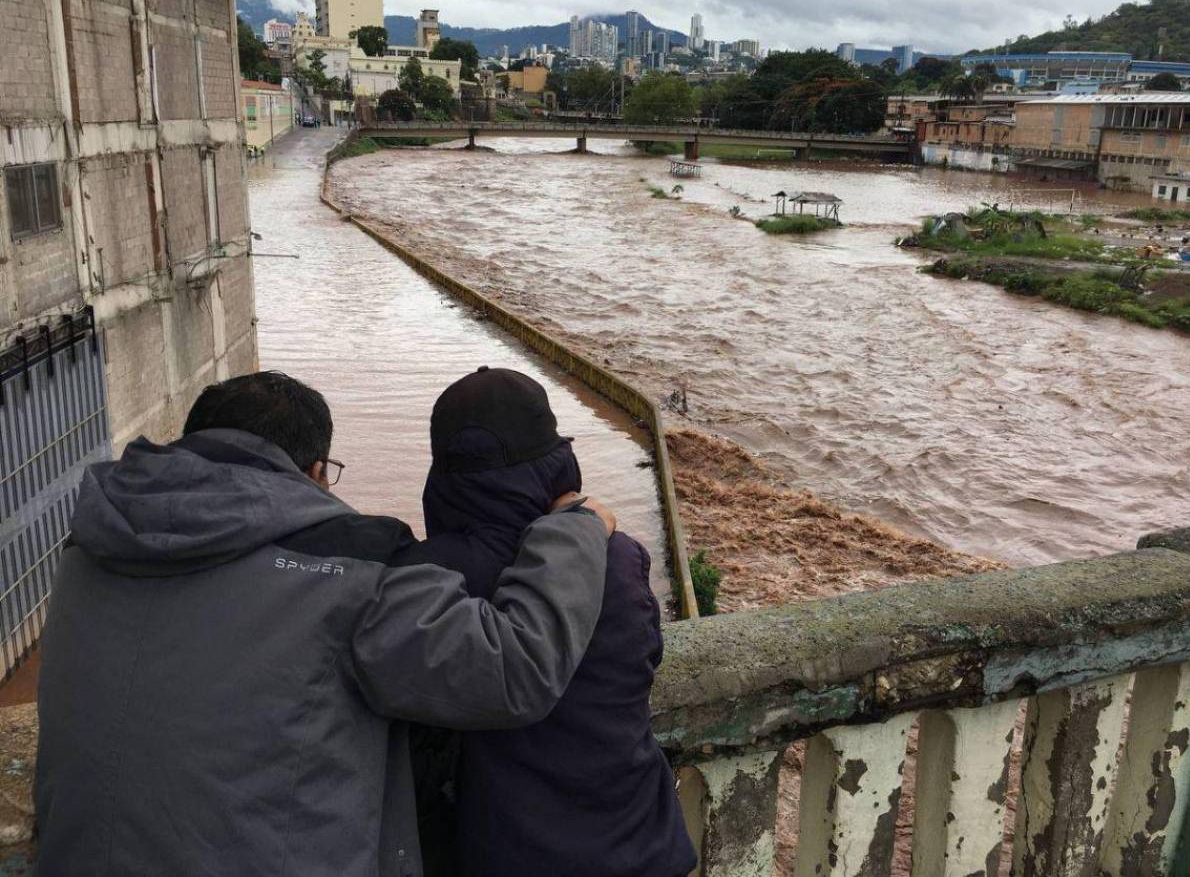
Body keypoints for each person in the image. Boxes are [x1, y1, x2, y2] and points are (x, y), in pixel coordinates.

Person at [34, 371, 615, 877]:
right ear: (315, 471)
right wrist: (575, 528)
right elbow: (514, 669)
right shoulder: (354, 566)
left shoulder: (91, 545)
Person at [411, 367, 696, 877]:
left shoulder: (426, 578)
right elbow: (647, 656)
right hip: (646, 845)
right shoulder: (620, 555)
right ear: (557, 463)